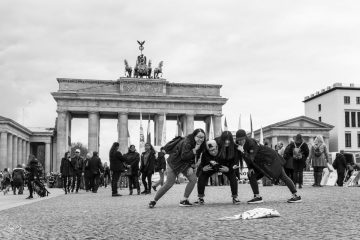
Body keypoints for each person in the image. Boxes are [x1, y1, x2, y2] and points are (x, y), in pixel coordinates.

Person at [235, 129, 302, 203]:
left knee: (283, 176)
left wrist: (243, 151)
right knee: (251, 175)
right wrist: (250, 168)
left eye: (241, 139)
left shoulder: (251, 143)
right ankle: (257, 197)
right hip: (262, 163)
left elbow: (251, 158)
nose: (240, 142)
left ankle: (296, 196)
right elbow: (247, 159)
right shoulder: (241, 146)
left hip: (272, 159)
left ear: (245, 138)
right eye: (238, 140)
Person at [148, 128, 206, 208]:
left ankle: (184, 200)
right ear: (194, 136)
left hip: (184, 165)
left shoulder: (201, 144)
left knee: (193, 179)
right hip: (174, 163)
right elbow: (184, 156)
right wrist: (194, 150)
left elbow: (195, 157)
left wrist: (192, 166)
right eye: (198, 137)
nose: (201, 139)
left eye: (202, 137)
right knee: (169, 184)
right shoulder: (187, 142)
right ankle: (154, 200)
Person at [195, 136, 241, 205]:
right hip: (211, 167)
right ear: (208, 150)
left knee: (232, 176)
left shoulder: (224, 150)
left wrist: (229, 169)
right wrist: (203, 169)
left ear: (217, 147)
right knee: (202, 176)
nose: (213, 152)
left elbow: (234, 162)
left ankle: (235, 197)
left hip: (223, 166)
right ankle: (200, 198)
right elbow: (202, 164)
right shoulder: (205, 153)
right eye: (211, 151)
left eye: (214, 149)